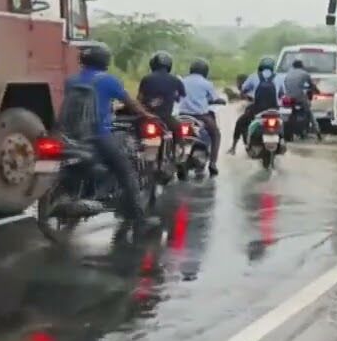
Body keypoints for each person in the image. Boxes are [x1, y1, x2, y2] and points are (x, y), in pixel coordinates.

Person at [62, 43, 156, 227]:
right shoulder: (108, 80)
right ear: (105, 61)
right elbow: (131, 104)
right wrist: (147, 115)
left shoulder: (71, 80)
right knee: (126, 171)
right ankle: (137, 218)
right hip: (98, 135)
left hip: (71, 135)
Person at [179, 58, 226, 176]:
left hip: (182, 116)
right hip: (200, 116)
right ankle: (213, 163)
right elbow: (214, 98)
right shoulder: (206, 83)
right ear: (205, 71)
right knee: (216, 134)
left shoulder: (182, 81)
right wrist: (220, 101)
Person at [230, 57, 284, 153]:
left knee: (240, 122)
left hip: (258, 109)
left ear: (261, 66)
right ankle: (283, 140)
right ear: (272, 67)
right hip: (274, 110)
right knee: (282, 123)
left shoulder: (254, 76)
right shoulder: (279, 77)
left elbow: (243, 89)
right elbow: (282, 94)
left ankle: (233, 147)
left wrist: (244, 94)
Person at [138, 50, 185, 135]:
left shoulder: (146, 78)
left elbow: (139, 98)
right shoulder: (175, 79)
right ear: (169, 65)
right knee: (178, 128)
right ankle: (179, 147)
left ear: (153, 64)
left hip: (146, 117)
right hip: (166, 118)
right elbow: (181, 96)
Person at [282, 58, 316, 137]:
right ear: (302, 66)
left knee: (285, 111)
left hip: (288, 97)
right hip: (299, 97)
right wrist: (317, 90)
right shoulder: (305, 73)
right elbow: (311, 85)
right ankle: (316, 130)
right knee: (308, 110)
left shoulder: (288, 73)